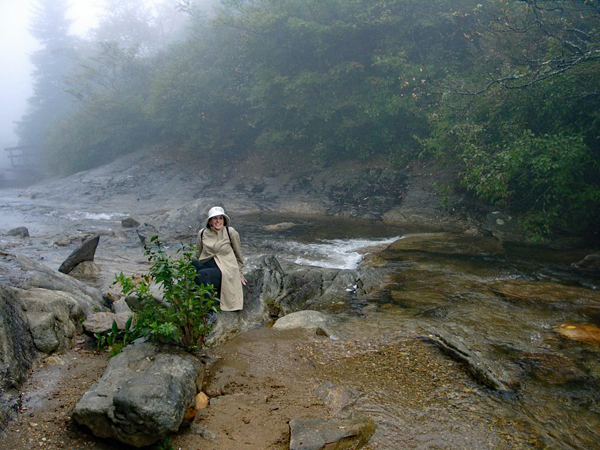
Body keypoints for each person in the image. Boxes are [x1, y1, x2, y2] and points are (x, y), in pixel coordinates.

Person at [194, 206, 247, 311]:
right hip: (209, 263)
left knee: (203, 275)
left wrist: (239, 273)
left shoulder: (230, 232)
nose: (218, 221)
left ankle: (209, 310)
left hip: (225, 268)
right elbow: (197, 253)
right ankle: (196, 298)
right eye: (215, 218)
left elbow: (238, 253)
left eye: (221, 218)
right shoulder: (202, 233)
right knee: (194, 265)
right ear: (210, 221)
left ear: (224, 220)